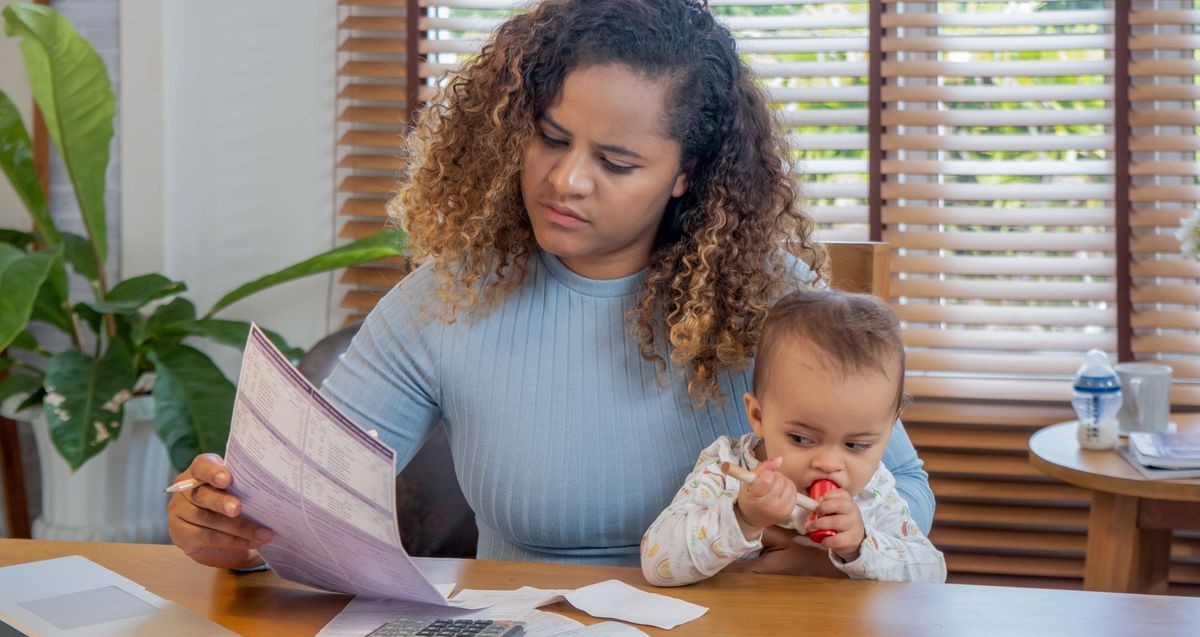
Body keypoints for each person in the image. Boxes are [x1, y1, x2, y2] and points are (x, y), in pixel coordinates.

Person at [166, 0, 934, 572]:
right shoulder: (446, 298)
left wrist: (817, 544)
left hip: (735, 636)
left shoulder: (771, 299)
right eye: (551, 138)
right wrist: (228, 526)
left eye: (617, 163)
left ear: (685, 175)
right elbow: (299, 502)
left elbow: (903, 495)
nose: (567, 180)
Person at [641, 289, 946, 585]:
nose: (828, 464)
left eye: (855, 445)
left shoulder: (874, 491)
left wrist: (860, 545)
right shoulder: (726, 470)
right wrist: (743, 517)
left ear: (890, 430)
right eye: (801, 438)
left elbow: (932, 574)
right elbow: (658, 565)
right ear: (758, 416)